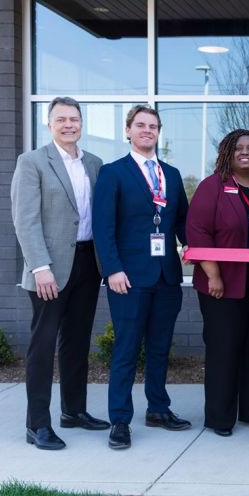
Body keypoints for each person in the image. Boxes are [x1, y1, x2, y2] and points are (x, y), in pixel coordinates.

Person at [11, 96, 108, 450]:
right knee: (43, 344)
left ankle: (74, 411)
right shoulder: (32, 162)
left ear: (82, 123)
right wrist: (40, 267)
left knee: (77, 341)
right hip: (48, 267)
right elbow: (25, 220)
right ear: (49, 124)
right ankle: (37, 424)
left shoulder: (95, 163)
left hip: (86, 262)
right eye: (61, 119)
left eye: (74, 119)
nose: (69, 124)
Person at [93, 104, 190, 450]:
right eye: (141, 125)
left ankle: (158, 409)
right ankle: (120, 419)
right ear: (128, 131)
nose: (147, 131)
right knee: (126, 350)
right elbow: (103, 228)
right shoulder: (113, 173)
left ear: (158, 132)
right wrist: (113, 270)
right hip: (128, 278)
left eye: (153, 126)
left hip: (166, 277)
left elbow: (180, 221)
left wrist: (192, 244)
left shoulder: (173, 175)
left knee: (160, 349)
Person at [186, 129, 249, 437]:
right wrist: (213, 275)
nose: (245, 152)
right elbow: (198, 232)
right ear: (228, 152)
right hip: (221, 283)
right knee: (224, 349)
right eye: (239, 147)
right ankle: (220, 418)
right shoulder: (212, 187)